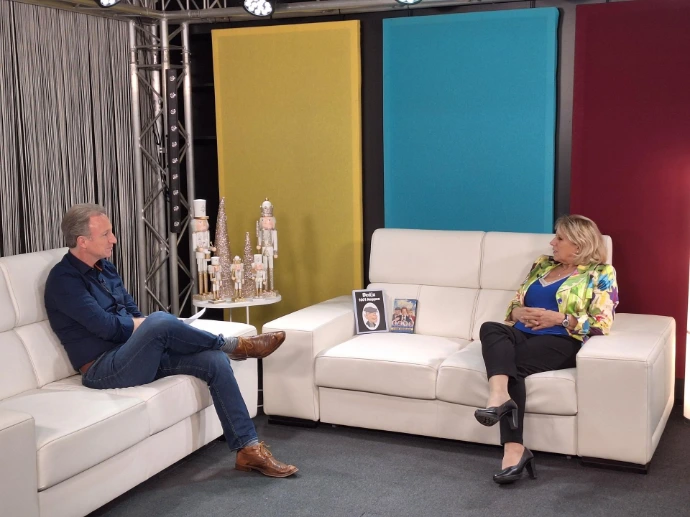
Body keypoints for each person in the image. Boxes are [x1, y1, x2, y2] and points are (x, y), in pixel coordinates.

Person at [44, 204, 298, 478]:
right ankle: (236, 346)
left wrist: (146, 327)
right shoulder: (64, 280)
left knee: (213, 360)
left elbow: (132, 312)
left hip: (133, 354)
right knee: (159, 321)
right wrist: (148, 327)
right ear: (82, 241)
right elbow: (106, 328)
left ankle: (248, 450)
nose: (113, 239)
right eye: (105, 234)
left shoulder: (105, 268)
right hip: (103, 368)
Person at [475, 215, 618, 485]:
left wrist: (559, 319)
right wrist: (517, 312)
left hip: (562, 340)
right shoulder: (542, 264)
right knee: (490, 328)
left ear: (579, 244)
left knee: (510, 365)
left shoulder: (601, 273)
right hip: (521, 333)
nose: (552, 243)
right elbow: (514, 305)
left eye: (559, 238)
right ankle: (500, 396)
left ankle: (513, 449)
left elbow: (602, 323)